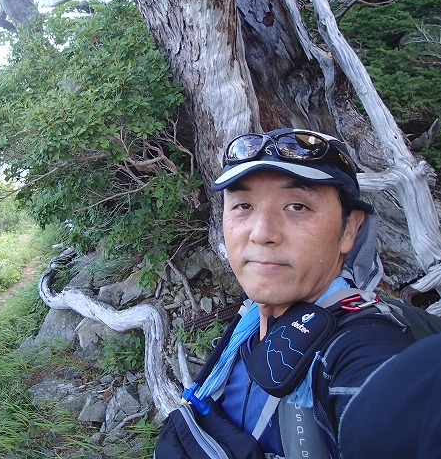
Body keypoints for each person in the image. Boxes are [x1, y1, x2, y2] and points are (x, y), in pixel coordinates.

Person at [156, 128, 415, 458]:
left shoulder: (362, 351)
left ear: (349, 228)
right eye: (243, 205)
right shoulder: (251, 317)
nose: (262, 233)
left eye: (297, 206)